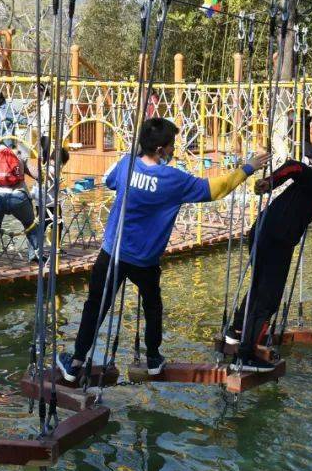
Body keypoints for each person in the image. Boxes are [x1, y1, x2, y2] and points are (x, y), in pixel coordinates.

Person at [56, 117, 268, 381]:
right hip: (145, 260)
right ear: (160, 150)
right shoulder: (173, 179)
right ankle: (153, 358)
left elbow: (110, 180)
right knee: (152, 307)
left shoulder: (126, 165)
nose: (173, 150)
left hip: (113, 253)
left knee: (95, 306)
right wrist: (248, 168)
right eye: (171, 146)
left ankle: (75, 363)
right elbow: (218, 189)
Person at [225, 159, 312, 372]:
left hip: (264, 233)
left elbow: (302, 174)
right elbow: (295, 167)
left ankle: (235, 331)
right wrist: (270, 182)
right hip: (276, 241)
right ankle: (246, 355)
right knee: (268, 300)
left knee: (258, 287)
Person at [0, 140, 43, 268]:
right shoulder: (19, 155)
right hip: (18, 197)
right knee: (30, 225)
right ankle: (36, 254)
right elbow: (37, 175)